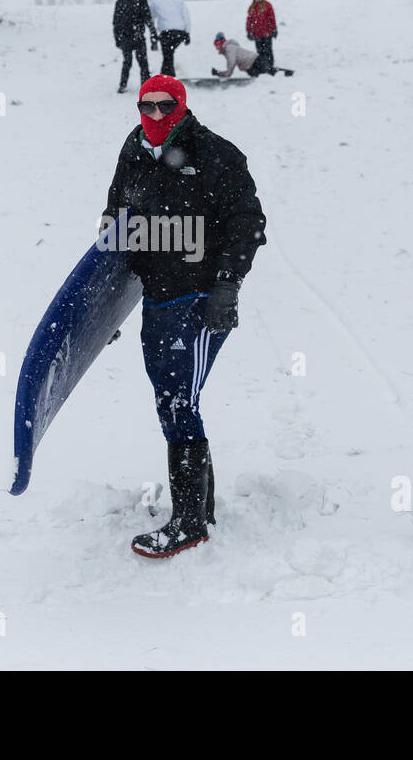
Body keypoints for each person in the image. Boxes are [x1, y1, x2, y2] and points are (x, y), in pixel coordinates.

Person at [103, 75, 266, 558]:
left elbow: (247, 222)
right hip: (155, 300)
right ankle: (201, 507)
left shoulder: (215, 154)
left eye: (164, 106)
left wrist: (227, 286)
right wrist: (103, 310)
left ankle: (190, 521)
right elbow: (115, 225)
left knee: (177, 399)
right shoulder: (133, 153)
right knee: (169, 396)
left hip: (199, 300)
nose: (154, 115)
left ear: (181, 105)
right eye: (146, 106)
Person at [112, 0, 158, 93]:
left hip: (125, 37)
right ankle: (146, 87)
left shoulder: (120, 2)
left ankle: (122, 85)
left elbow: (116, 23)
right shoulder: (142, 1)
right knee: (143, 63)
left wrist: (117, 39)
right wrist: (153, 36)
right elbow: (148, 20)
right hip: (138, 37)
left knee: (127, 62)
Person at [148, 0, 191, 77]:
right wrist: (187, 33)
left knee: (168, 56)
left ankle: (167, 78)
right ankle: (168, 76)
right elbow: (186, 16)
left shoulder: (155, 1)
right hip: (180, 33)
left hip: (166, 33)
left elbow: (151, 19)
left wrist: (153, 34)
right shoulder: (179, 0)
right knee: (169, 55)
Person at [245, 0, 278, 74]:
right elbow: (249, 21)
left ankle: (270, 65)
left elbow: (272, 18)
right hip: (257, 34)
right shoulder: (252, 8)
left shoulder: (267, 6)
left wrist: (274, 29)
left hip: (267, 33)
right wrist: (249, 31)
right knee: (260, 51)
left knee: (267, 50)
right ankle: (263, 66)